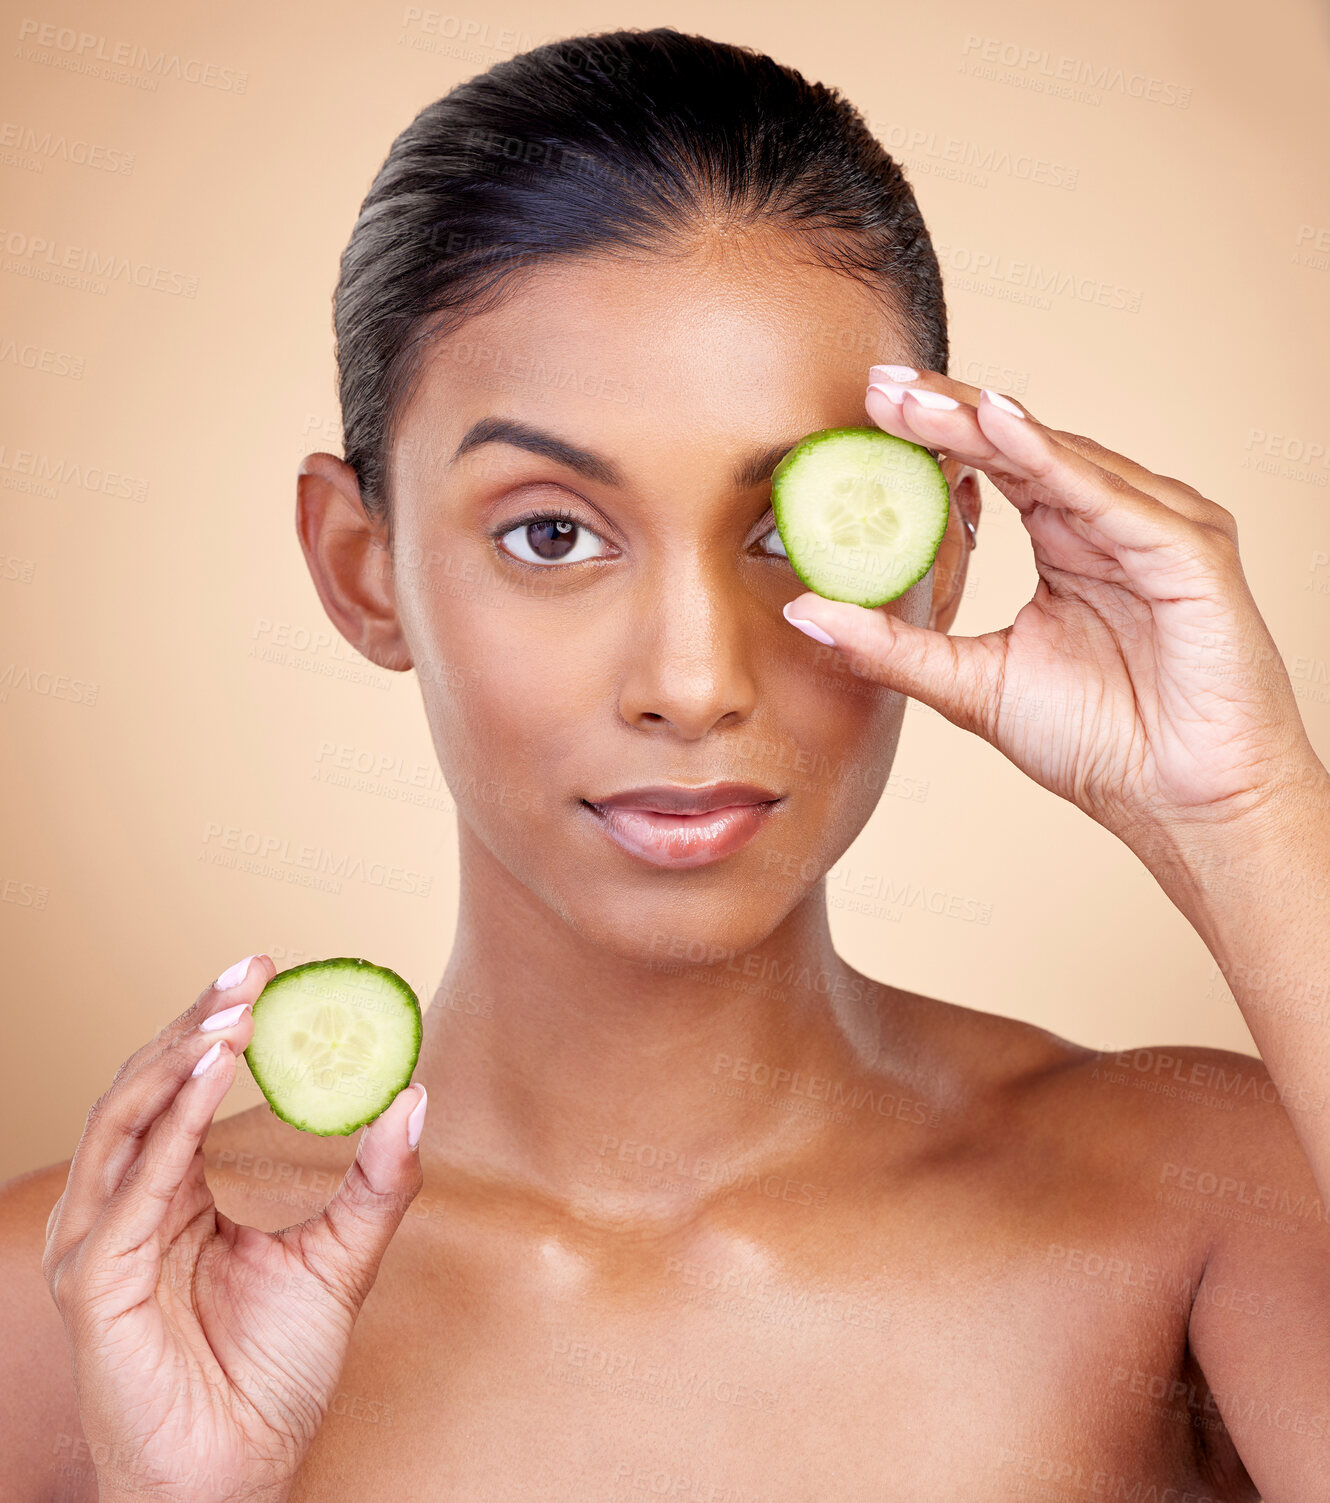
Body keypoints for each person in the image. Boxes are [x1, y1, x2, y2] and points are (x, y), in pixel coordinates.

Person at [3, 25, 1328, 1503]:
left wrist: (1245, 807)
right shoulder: (77, 1301)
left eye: (787, 530)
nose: (692, 684)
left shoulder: (1218, 1197)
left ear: (939, 558)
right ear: (361, 568)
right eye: (551, 533)